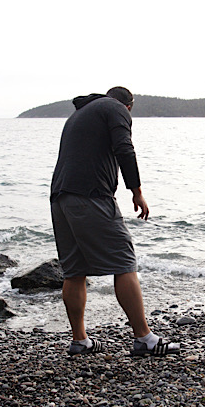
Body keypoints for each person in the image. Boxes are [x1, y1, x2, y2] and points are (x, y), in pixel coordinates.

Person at [50, 87, 178, 357]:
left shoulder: (79, 114)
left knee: (74, 270)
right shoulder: (116, 108)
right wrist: (137, 191)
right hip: (91, 196)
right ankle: (144, 338)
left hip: (61, 198)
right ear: (129, 107)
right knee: (124, 261)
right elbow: (124, 148)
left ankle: (80, 340)